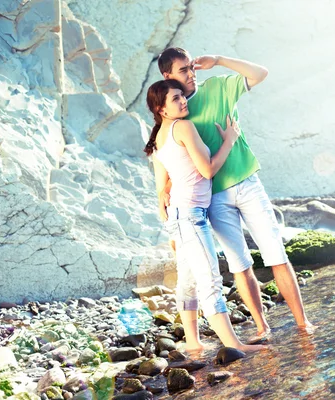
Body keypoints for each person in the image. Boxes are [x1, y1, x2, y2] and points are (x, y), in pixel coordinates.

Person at [157, 47, 313, 342]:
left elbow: (260, 73)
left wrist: (219, 61)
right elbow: (169, 153)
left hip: (247, 181)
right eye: (183, 70)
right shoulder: (175, 114)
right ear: (167, 76)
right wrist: (165, 187)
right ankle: (261, 327)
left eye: (191, 67)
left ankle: (303, 324)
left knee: (276, 255)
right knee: (240, 264)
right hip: (213, 198)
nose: (190, 74)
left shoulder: (217, 87)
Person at [144, 79, 263, 353]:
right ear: (161, 108)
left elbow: (161, 190)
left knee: (188, 279)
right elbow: (208, 170)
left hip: (178, 216)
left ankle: (193, 342)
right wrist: (230, 141)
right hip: (190, 216)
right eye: (175, 99)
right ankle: (234, 344)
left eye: (182, 96)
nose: (183, 101)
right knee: (209, 279)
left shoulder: (158, 138)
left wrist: (172, 227)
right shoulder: (183, 127)